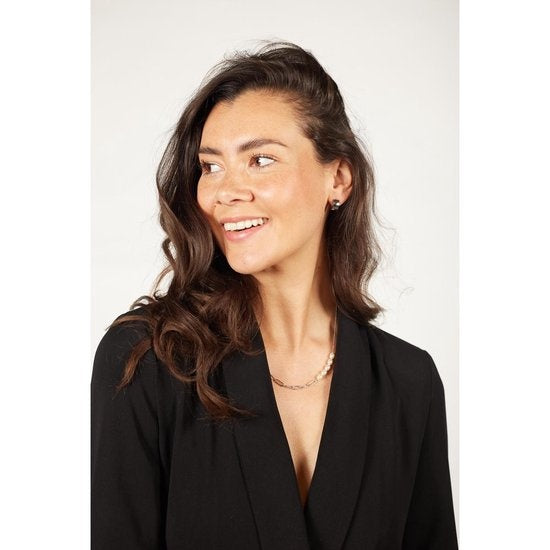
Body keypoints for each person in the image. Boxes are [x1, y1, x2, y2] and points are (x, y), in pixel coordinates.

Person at [91, 41, 458, 549]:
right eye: (211, 166)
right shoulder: (148, 361)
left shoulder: (409, 383)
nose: (225, 192)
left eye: (260, 160)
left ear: (338, 178)